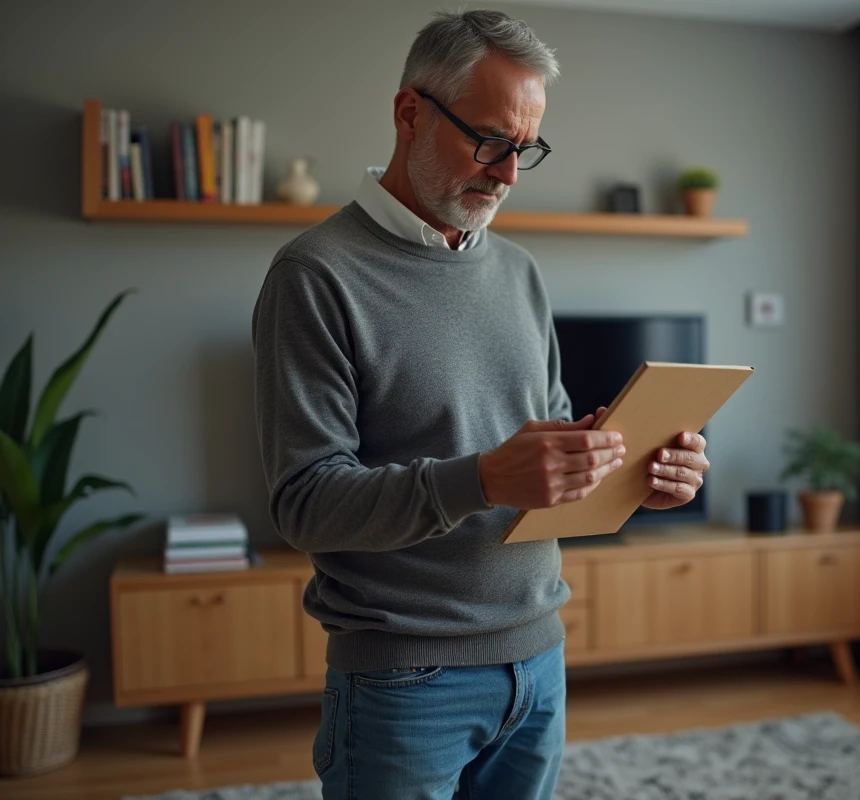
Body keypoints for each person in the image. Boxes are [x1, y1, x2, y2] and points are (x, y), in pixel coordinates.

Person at [251, 9, 711, 800]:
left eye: (524, 149)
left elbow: (552, 454)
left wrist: (639, 470)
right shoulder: (314, 277)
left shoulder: (520, 272)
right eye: (490, 141)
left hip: (538, 659)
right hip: (404, 681)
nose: (507, 174)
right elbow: (305, 502)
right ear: (409, 113)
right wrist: (487, 480)